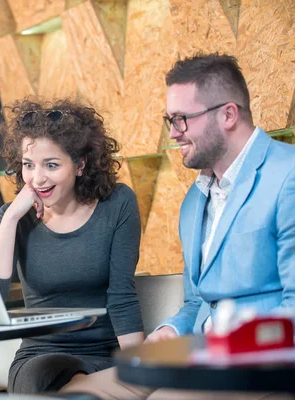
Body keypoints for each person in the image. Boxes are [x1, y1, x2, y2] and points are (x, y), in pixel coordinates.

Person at [61, 53, 295, 399]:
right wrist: (172, 328)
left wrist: (225, 347)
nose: (173, 132)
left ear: (228, 114)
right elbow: (198, 302)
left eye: (182, 119)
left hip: (263, 366)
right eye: (169, 119)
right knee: (78, 393)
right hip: (199, 357)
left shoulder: (287, 176)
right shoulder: (194, 200)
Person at [0, 98, 144, 394]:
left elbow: (122, 296)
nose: (37, 178)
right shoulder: (13, 218)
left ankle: (86, 390)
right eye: (28, 165)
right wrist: (10, 219)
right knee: (47, 382)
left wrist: (140, 365)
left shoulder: (118, 204)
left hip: (104, 354)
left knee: (86, 390)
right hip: (39, 361)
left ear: (80, 164)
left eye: (51, 165)